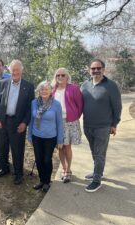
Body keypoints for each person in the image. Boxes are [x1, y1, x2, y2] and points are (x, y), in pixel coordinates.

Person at [81, 59, 122, 192]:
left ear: (103, 69)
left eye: (98, 68)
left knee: (99, 153)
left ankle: (97, 180)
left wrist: (114, 124)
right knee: (94, 152)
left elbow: (117, 106)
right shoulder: (85, 85)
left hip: (103, 127)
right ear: (90, 70)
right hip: (88, 125)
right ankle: (97, 172)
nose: (96, 70)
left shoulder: (111, 86)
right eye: (93, 68)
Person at [0, 59, 34, 185]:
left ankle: (18, 173)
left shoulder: (29, 86)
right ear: (9, 70)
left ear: (21, 70)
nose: (15, 72)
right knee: (2, 147)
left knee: (17, 150)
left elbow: (29, 108)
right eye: (13, 70)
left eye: (17, 69)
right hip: (3, 122)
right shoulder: (2, 83)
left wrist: (25, 123)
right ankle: (4, 168)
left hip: (18, 124)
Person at [28, 81, 63, 192]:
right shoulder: (34, 103)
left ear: (50, 91)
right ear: (39, 91)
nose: (44, 91)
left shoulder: (56, 104)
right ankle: (41, 180)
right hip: (36, 136)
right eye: (42, 89)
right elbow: (31, 120)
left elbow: (59, 123)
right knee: (38, 159)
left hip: (50, 137)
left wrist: (60, 140)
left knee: (47, 159)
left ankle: (47, 182)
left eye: (46, 89)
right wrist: (29, 136)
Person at [51, 68, 83, 183]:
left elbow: (80, 105)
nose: (60, 77)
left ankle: (68, 170)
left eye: (63, 75)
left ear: (67, 76)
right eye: (58, 75)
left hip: (70, 122)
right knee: (60, 147)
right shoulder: (53, 90)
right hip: (57, 122)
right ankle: (63, 169)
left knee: (67, 147)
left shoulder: (73, 88)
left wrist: (74, 116)